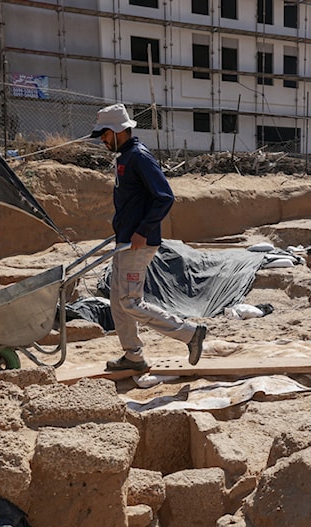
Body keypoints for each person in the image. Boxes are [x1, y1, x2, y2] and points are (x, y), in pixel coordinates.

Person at [90, 103, 207, 370]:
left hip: (138, 244)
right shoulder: (124, 157)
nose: (103, 140)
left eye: (104, 135)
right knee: (118, 303)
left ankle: (190, 334)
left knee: (131, 302)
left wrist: (142, 231)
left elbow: (165, 197)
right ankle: (133, 356)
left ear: (118, 131)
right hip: (125, 241)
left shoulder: (139, 157)